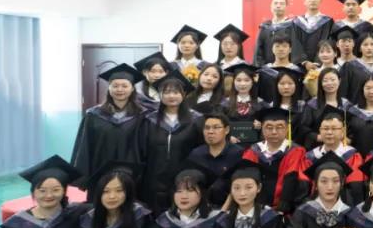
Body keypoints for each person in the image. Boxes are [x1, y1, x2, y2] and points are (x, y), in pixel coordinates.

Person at [71, 64, 147, 196]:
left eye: (124, 86)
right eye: (115, 86)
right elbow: (84, 147)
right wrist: (83, 177)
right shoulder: (94, 115)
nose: (119, 89)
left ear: (132, 89)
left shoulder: (142, 116)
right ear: (109, 88)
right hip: (100, 172)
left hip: (131, 174)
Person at [140, 72, 204, 211]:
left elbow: (200, 150)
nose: (171, 96)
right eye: (166, 92)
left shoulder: (196, 120)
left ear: (184, 94)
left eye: (176, 92)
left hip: (185, 177)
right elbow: (142, 150)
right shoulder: (148, 119)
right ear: (160, 95)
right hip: (153, 177)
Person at [240, 107, 310, 214]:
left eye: (279, 127)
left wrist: (284, 205)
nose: (274, 132)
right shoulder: (252, 152)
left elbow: (298, 181)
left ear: (287, 129)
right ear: (262, 129)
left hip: (286, 210)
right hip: (254, 208)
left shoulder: (296, 151)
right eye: (269, 127)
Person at [304, 105, 367, 206]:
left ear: (343, 132)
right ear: (320, 131)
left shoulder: (352, 156)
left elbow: (355, 189)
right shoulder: (310, 157)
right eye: (326, 128)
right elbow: (303, 187)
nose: (329, 132)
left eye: (334, 129)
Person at [188, 113, 246, 207]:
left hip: (231, 206)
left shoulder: (238, 154)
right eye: (207, 128)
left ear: (226, 130)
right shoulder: (196, 154)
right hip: (201, 206)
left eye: (216, 127)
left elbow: (241, 185)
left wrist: (225, 209)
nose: (210, 132)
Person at [220, 64, 268, 146]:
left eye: (247, 80)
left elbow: (268, 127)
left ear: (252, 82)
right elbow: (219, 125)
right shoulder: (224, 104)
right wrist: (227, 137)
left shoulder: (262, 104)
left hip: (254, 148)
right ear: (233, 82)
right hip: (231, 147)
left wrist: (262, 125)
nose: (242, 84)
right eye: (238, 80)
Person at [339, 31, 373, 106]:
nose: (369, 48)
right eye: (365, 45)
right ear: (359, 48)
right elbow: (342, 92)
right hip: (354, 110)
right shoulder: (349, 67)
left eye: (372, 44)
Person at [253, 0, 302, 67]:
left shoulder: (293, 26)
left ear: (286, 7)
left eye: (281, 4)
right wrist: (261, 68)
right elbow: (258, 50)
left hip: (287, 69)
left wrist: (292, 68)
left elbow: (296, 49)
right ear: (271, 6)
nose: (278, 6)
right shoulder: (265, 27)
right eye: (275, 3)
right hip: (267, 69)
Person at [294, 0, 333, 71]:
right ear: (304, 1)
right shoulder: (297, 21)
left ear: (320, 1)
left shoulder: (328, 21)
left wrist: (318, 62)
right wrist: (304, 61)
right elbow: (295, 42)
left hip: (322, 65)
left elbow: (328, 41)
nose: (313, 0)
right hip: (301, 66)